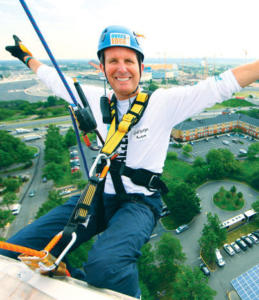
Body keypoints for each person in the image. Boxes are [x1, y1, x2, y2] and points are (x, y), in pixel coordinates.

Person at [1, 25, 259, 298]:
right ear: (102, 68)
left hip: (139, 203)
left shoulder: (163, 103)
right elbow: (55, 80)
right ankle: (67, 280)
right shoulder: (93, 100)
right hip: (98, 197)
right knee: (12, 251)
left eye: (128, 61)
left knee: (106, 268)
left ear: (141, 67)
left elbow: (221, 85)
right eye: (113, 61)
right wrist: (27, 58)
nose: (121, 68)